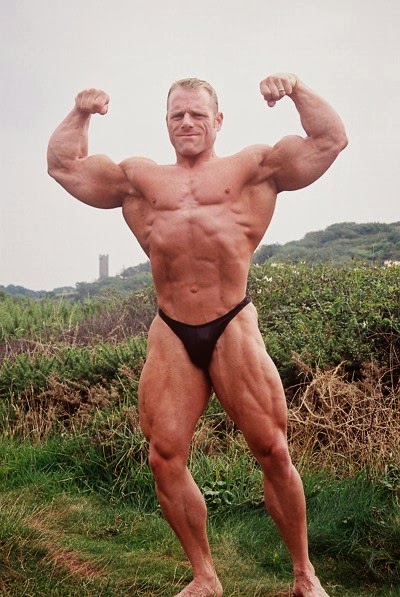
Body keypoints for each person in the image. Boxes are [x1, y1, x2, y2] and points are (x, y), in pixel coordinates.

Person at [47, 72, 347, 596]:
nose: (187, 122)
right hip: (171, 327)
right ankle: (206, 576)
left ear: (218, 120)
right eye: (177, 114)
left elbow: (329, 140)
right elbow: (64, 166)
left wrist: (296, 89)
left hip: (232, 320)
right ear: (166, 122)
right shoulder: (140, 178)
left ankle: (304, 574)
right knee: (164, 456)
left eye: (197, 114)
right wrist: (81, 112)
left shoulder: (253, 167)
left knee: (273, 450)